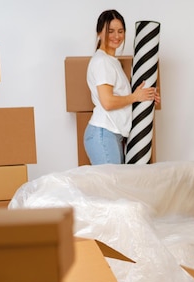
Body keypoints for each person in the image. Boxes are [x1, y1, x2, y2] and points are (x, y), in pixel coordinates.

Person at [84, 9, 160, 165]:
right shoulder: (102, 62)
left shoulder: (112, 61)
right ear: (99, 32)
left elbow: (122, 98)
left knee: (118, 186)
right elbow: (108, 102)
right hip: (103, 133)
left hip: (112, 135)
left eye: (120, 31)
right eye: (110, 31)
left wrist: (147, 96)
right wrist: (136, 97)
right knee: (114, 188)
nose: (116, 36)